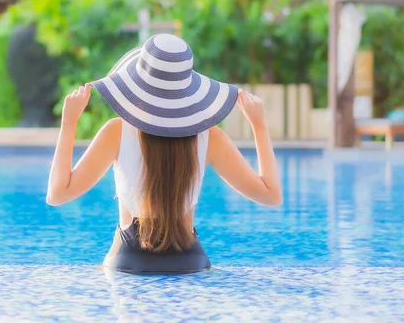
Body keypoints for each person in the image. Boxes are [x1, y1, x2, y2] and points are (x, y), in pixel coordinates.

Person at [47, 34, 282, 275]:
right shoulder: (210, 137)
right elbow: (271, 195)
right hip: (190, 263)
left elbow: (57, 194)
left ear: (136, 86)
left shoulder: (116, 132)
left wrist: (69, 122)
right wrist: (259, 125)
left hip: (129, 263)